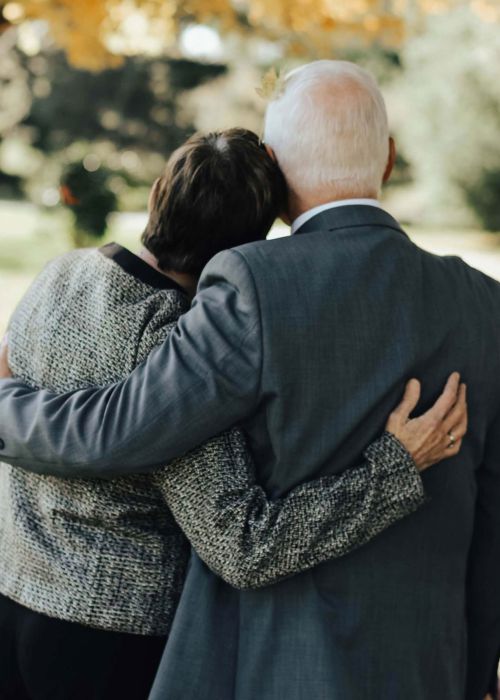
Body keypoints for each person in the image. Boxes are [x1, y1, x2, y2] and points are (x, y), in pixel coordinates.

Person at [0, 60, 497, 700]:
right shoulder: (486, 304)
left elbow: (114, 431)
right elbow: (490, 518)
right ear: (390, 158)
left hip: (241, 657)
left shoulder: (212, 288)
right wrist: (480, 664)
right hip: (430, 662)